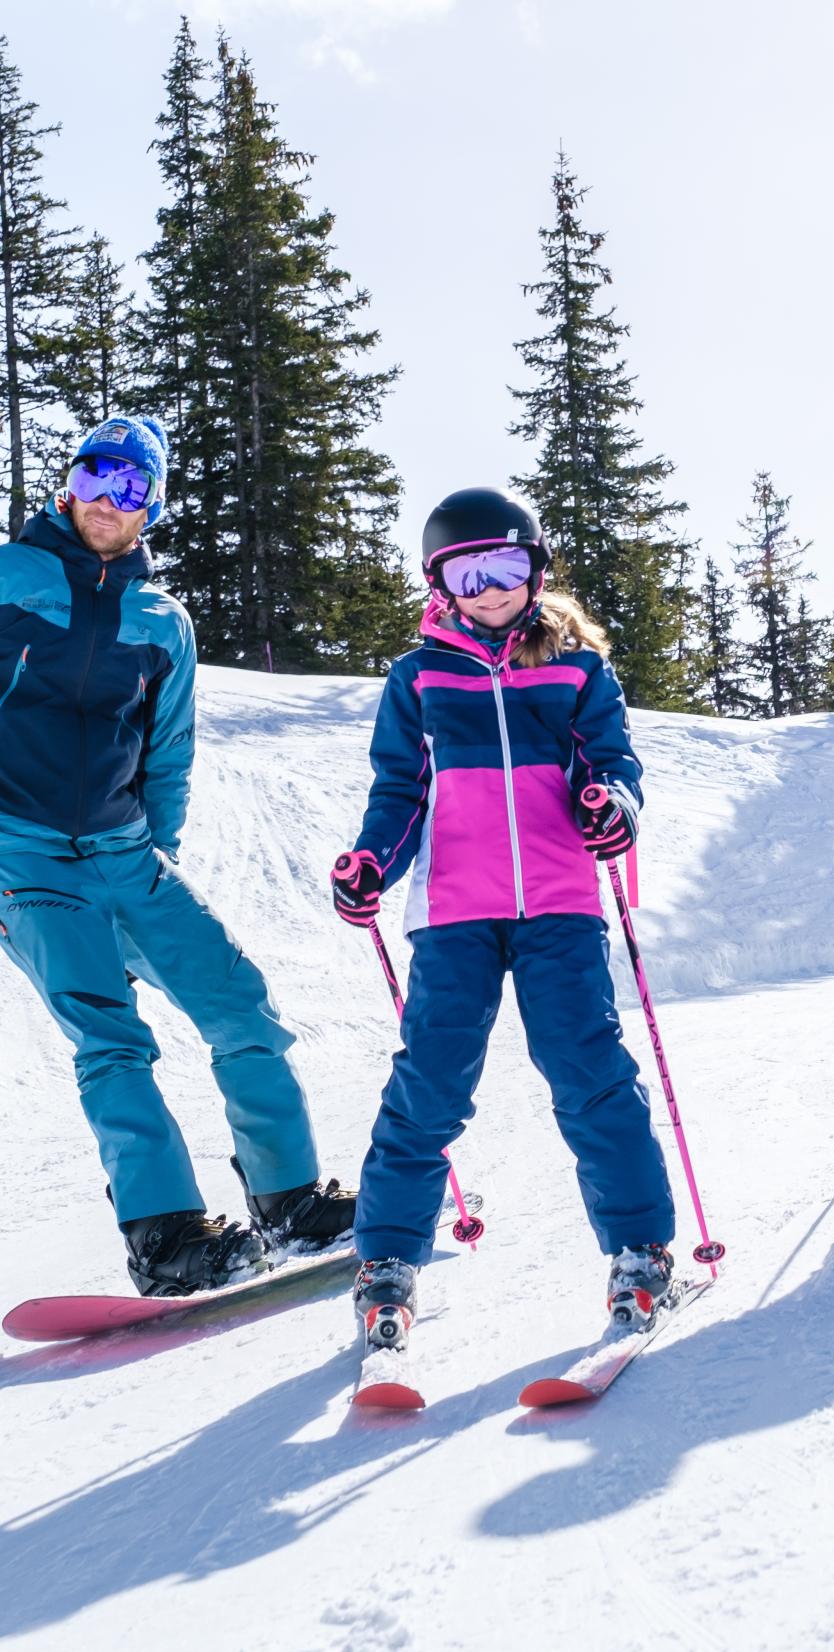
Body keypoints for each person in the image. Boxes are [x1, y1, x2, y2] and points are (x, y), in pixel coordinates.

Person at [0, 416, 353, 1297]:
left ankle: (288, 1197)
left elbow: (168, 755)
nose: (107, 500)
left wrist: (150, 869)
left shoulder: (164, 621)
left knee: (237, 1000)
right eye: (95, 475)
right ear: (67, 484)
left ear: (150, 509)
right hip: (14, 847)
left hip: (124, 855)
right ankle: (165, 1234)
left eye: (131, 488)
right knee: (110, 1029)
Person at [331, 487, 680, 1351]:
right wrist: (374, 860)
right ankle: (387, 1261)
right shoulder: (418, 678)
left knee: (588, 1068)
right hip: (452, 910)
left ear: (537, 569)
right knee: (432, 1082)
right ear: (439, 582)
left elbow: (615, 764)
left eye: (508, 567)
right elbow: (401, 792)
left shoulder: (577, 670)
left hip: (560, 902)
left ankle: (640, 1245)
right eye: (468, 572)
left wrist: (613, 807)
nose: (490, 588)